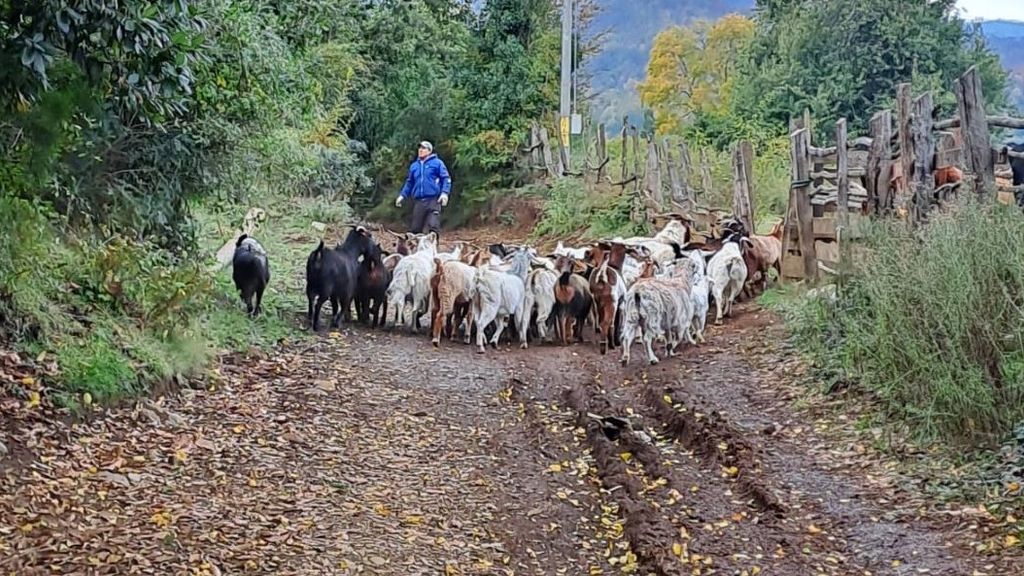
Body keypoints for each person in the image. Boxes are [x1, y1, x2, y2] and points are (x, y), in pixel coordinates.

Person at [395, 141, 452, 235]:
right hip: (419, 201)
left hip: (433, 200)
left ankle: (433, 248)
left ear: (429, 151)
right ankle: (417, 248)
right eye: (419, 148)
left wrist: (444, 193)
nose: (420, 150)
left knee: (433, 225)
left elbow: (446, 178)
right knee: (416, 228)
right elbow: (409, 183)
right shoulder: (414, 166)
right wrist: (402, 195)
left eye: (423, 148)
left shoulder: (437, 163)